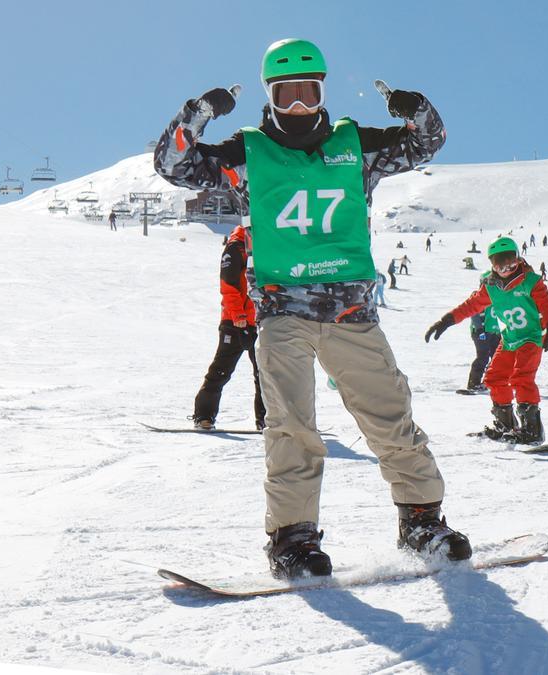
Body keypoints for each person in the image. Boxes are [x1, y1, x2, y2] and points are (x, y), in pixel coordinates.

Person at [154, 38, 470, 578]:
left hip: (351, 314)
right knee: (292, 427)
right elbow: (173, 164)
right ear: (271, 97)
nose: (299, 105)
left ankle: (421, 521)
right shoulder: (245, 155)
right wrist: (200, 112)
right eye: (287, 94)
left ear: (322, 92)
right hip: (283, 314)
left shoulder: (357, 146)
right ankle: (293, 539)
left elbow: (427, 141)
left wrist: (412, 108)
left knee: (390, 419)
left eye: (309, 92)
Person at [425, 237, 548, 445]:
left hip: (530, 338)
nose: (506, 268)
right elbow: (471, 306)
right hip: (509, 340)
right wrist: (446, 320)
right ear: (492, 265)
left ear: (518, 258)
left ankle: (532, 429)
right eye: (499, 264)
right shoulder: (490, 286)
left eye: (511, 262)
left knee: (522, 378)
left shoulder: (530, 280)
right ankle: (506, 425)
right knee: (494, 377)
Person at [192, 223, 267, 431]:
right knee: (221, 370)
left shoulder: (268, 238)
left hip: (262, 320)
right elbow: (229, 284)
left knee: (265, 374)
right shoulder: (237, 245)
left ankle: (266, 420)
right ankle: (203, 416)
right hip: (236, 321)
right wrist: (238, 314)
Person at [466, 307, 502, 392]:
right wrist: (479, 329)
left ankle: (490, 381)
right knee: (483, 357)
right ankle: (473, 383)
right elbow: (473, 312)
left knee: (497, 358)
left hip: (495, 331)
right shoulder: (480, 294)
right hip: (481, 332)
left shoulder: (499, 294)